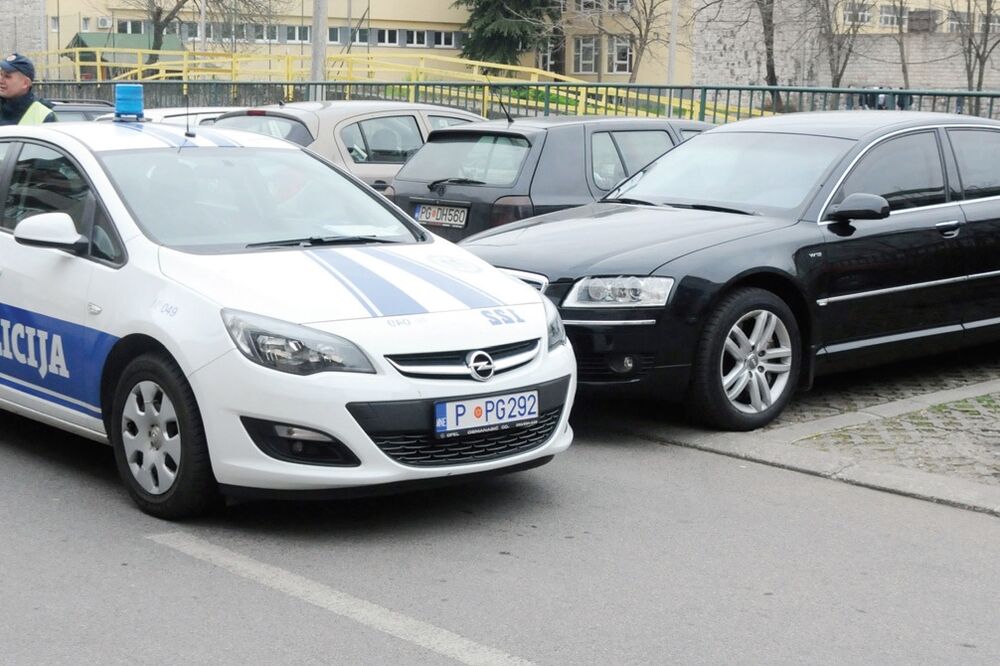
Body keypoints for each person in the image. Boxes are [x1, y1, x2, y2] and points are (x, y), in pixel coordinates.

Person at [0, 53, 56, 125]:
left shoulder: (44, 115)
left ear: (25, 83)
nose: (1, 80)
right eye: (0, 74)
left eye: (7, 76)